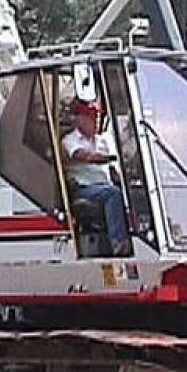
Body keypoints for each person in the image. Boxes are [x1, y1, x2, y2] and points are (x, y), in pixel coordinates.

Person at [61, 99, 131, 256]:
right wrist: (112, 158)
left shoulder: (103, 141)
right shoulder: (69, 140)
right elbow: (84, 156)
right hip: (84, 190)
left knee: (128, 193)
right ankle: (118, 242)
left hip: (104, 187)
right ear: (79, 119)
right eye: (92, 116)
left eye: (98, 116)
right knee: (113, 193)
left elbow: (114, 169)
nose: (96, 120)